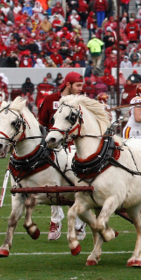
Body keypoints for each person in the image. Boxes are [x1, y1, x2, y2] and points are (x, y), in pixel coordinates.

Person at [37, 71, 86, 241]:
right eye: (78, 85)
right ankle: (56, 221)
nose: (81, 89)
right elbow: (41, 124)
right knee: (52, 184)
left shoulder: (82, 101)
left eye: (82, 86)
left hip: (75, 148)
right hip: (54, 148)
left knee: (80, 184)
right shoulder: (50, 100)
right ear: (68, 84)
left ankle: (80, 223)